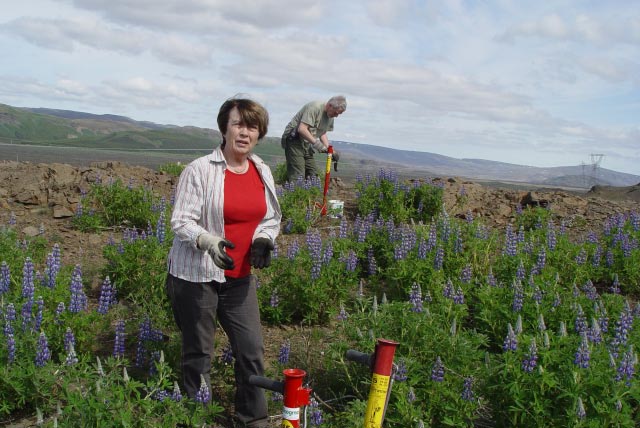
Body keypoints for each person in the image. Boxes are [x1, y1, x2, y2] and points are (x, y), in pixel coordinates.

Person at [166, 96, 281, 428]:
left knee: (251, 350)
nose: (245, 132)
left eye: (252, 126)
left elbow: (271, 217)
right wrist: (207, 240)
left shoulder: (262, 170)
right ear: (224, 129)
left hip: (240, 277)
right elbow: (181, 221)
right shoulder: (200, 170)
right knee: (198, 352)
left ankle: (252, 419)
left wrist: (264, 239)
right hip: (196, 276)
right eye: (238, 124)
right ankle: (198, 419)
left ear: (260, 133)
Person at [281, 95, 347, 182]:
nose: (336, 116)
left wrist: (329, 150)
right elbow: (302, 129)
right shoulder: (315, 108)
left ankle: (304, 189)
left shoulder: (330, 116)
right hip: (294, 139)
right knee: (298, 175)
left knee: (313, 175)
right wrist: (318, 145)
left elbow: (322, 133)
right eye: (336, 113)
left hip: (307, 143)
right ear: (330, 105)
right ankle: (292, 188)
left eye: (338, 114)